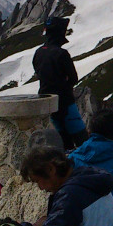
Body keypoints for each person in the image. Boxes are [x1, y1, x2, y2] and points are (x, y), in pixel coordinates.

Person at [33, 17, 81, 145]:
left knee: (58, 140)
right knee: (80, 137)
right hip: (65, 101)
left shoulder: (38, 52)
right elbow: (73, 78)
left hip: (45, 100)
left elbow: (38, 72)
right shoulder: (61, 53)